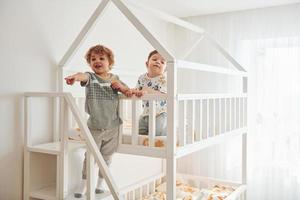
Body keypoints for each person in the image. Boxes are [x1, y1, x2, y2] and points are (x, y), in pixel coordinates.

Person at [65, 44, 132, 198]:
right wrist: (75, 77)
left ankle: (101, 183)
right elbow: (83, 76)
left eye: (102, 58)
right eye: (93, 59)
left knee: (107, 157)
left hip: (113, 126)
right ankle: (83, 185)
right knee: (90, 157)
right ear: (90, 64)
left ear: (110, 63)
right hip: (95, 126)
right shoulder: (91, 77)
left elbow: (127, 91)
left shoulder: (115, 78)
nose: (97, 61)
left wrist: (121, 87)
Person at [134, 50, 167, 136]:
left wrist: (148, 90)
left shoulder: (164, 79)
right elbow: (136, 90)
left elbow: (165, 95)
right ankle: (143, 148)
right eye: (154, 59)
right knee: (138, 132)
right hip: (146, 113)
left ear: (165, 69)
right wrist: (129, 91)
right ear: (147, 64)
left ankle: (164, 134)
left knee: (156, 134)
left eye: (162, 62)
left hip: (160, 114)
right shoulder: (142, 78)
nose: (158, 62)